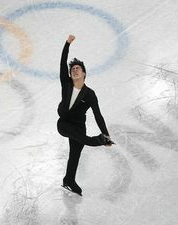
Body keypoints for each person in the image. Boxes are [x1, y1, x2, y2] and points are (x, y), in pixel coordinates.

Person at [57, 35, 114, 196]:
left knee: (75, 154)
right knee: (85, 140)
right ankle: (96, 141)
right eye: (72, 69)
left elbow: (98, 115)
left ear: (84, 73)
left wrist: (106, 133)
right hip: (64, 123)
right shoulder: (66, 83)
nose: (74, 70)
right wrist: (67, 44)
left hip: (79, 126)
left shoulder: (89, 94)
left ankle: (69, 180)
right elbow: (62, 63)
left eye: (78, 68)